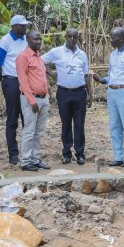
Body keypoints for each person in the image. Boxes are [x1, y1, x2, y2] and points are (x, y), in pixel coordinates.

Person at [43, 27, 91, 165]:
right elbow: (41, 61)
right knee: (66, 124)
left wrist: (90, 94)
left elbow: (86, 75)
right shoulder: (56, 52)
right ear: (65, 37)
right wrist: (52, 74)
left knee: (79, 124)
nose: (72, 39)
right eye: (69, 36)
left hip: (80, 93)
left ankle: (80, 154)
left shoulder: (82, 54)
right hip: (64, 93)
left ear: (77, 38)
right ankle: (66, 153)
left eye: (75, 37)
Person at [0, 15, 31, 165]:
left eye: (25, 25)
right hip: (12, 81)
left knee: (27, 118)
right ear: (14, 26)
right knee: (13, 118)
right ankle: (13, 154)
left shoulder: (25, 40)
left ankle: (27, 153)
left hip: (25, 82)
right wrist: (4, 80)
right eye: (21, 25)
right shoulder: (5, 41)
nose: (24, 28)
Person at [99, 27, 124, 167]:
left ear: (121, 38)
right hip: (112, 93)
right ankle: (118, 157)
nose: (110, 40)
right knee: (114, 126)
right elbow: (112, 75)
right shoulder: (112, 55)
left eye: (113, 38)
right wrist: (103, 80)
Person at [16, 29, 50, 171]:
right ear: (28, 40)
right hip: (31, 100)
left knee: (39, 131)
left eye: (40, 39)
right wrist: (32, 101)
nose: (39, 41)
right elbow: (23, 81)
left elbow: (41, 77)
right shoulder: (23, 57)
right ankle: (25, 161)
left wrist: (47, 94)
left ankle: (35, 159)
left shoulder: (39, 57)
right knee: (29, 131)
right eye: (36, 39)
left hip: (43, 99)